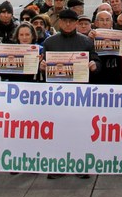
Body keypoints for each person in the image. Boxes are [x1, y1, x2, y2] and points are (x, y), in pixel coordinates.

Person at [40, 9, 102, 179]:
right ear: (59, 22)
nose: (67, 24)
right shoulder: (50, 42)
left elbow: (96, 59)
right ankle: (58, 165)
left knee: (80, 130)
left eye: (71, 21)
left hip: (79, 92)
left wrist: (94, 65)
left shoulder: (86, 42)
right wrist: (42, 66)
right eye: (64, 21)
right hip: (57, 93)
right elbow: (42, 63)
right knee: (58, 129)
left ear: (76, 23)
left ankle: (80, 164)